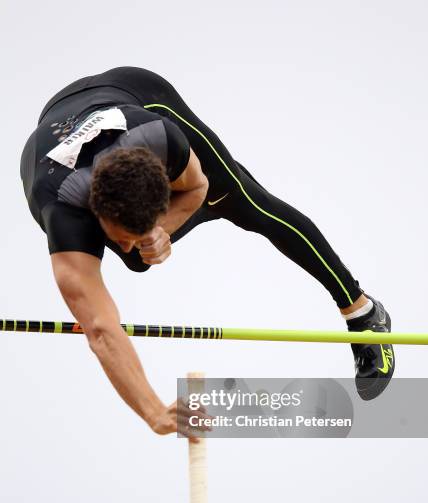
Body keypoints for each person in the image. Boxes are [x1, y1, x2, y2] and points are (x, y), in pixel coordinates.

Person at [20, 66, 394, 438]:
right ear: (94, 212)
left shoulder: (165, 138)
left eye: (137, 231)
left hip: (140, 95)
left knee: (250, 205)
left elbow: (196, 186)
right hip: (55, 135)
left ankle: (362, 312)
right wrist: (153, 412)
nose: (125, 242)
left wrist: (161, 229)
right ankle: (214, 202)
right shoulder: (62, 211)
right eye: (117, 236)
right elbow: (101, 329)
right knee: (137, 260)